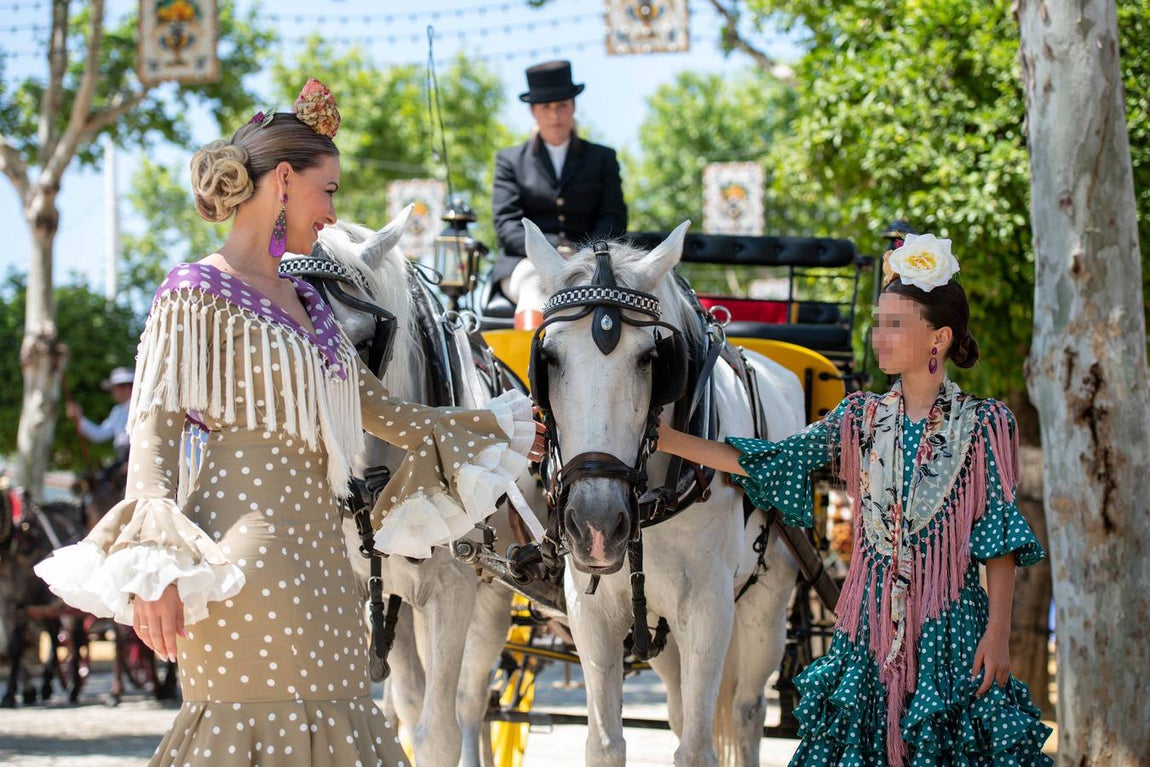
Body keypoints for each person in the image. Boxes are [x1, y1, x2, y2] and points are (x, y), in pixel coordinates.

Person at [35, 78, 544, 766]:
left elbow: (387, 415)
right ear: (282, 181)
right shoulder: (195, 291)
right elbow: (152, 434)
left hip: (332, 568)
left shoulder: (314, 303)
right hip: (240, 564)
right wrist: (151, 571)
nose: (333, 213)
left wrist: (497, 427)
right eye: (327, 190)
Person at [657, 234, 1052, 766]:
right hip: (866, 633)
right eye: (878, 322)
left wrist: (999, 635)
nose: (879, 336)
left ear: (938, 338)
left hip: (951, 636)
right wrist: (664, 440)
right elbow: (773, 457)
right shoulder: (859, 417)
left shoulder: (984, 424)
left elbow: (998, 542)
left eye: (895, 324)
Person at [491, 59, 628, 329]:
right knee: (534, 287)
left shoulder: (602, 158)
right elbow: (507, 226)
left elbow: (613, 218)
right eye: (546, 107)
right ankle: (527, 366)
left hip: (590, 261)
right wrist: (553, 249)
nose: (555, 116)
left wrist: (580, 252)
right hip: (526, 263)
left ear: (573, 107)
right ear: (533, 111)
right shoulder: (510, 161)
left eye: (562, 106)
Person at [67, 366, 134, 460]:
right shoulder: (118, 411)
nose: (112, 393)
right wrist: (79, 418)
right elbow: (99, 434)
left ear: (126, 388)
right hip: (123, 456)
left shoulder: (142, 409)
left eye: (114, 389)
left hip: (135, 456)